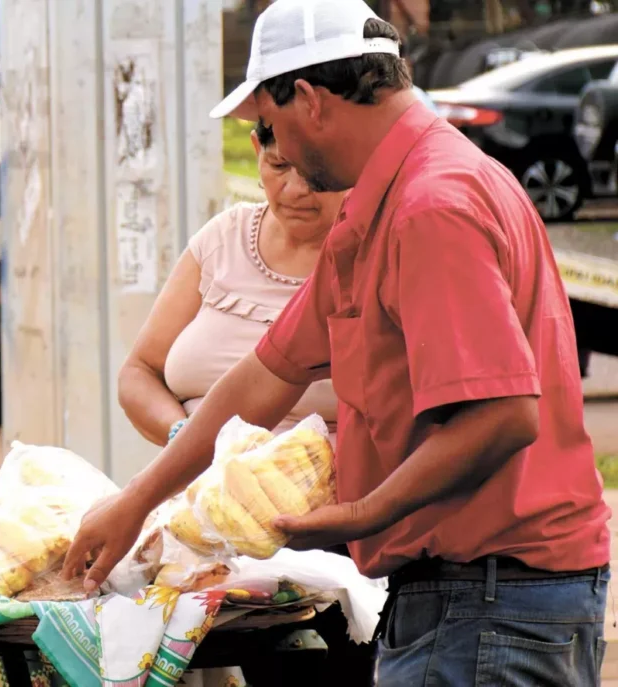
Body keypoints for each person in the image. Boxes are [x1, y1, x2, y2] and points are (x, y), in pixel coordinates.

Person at [64, 1, 611, 684]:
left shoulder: (431, 206)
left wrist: (358, 513)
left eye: (272, 123)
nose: (278, 150)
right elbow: (264, 376)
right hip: (464, 594)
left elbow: (502, 415)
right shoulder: (378, 206)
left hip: (492, 595)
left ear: (312, 101)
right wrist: (137, 499)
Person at [118, 120, 340, 449]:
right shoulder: (224, 238)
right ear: (256, 149)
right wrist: (186, 438)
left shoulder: (373, 256)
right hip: (201, 488)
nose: (294, 189)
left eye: (315, 172)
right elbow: (139, 372)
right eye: (278, 165)